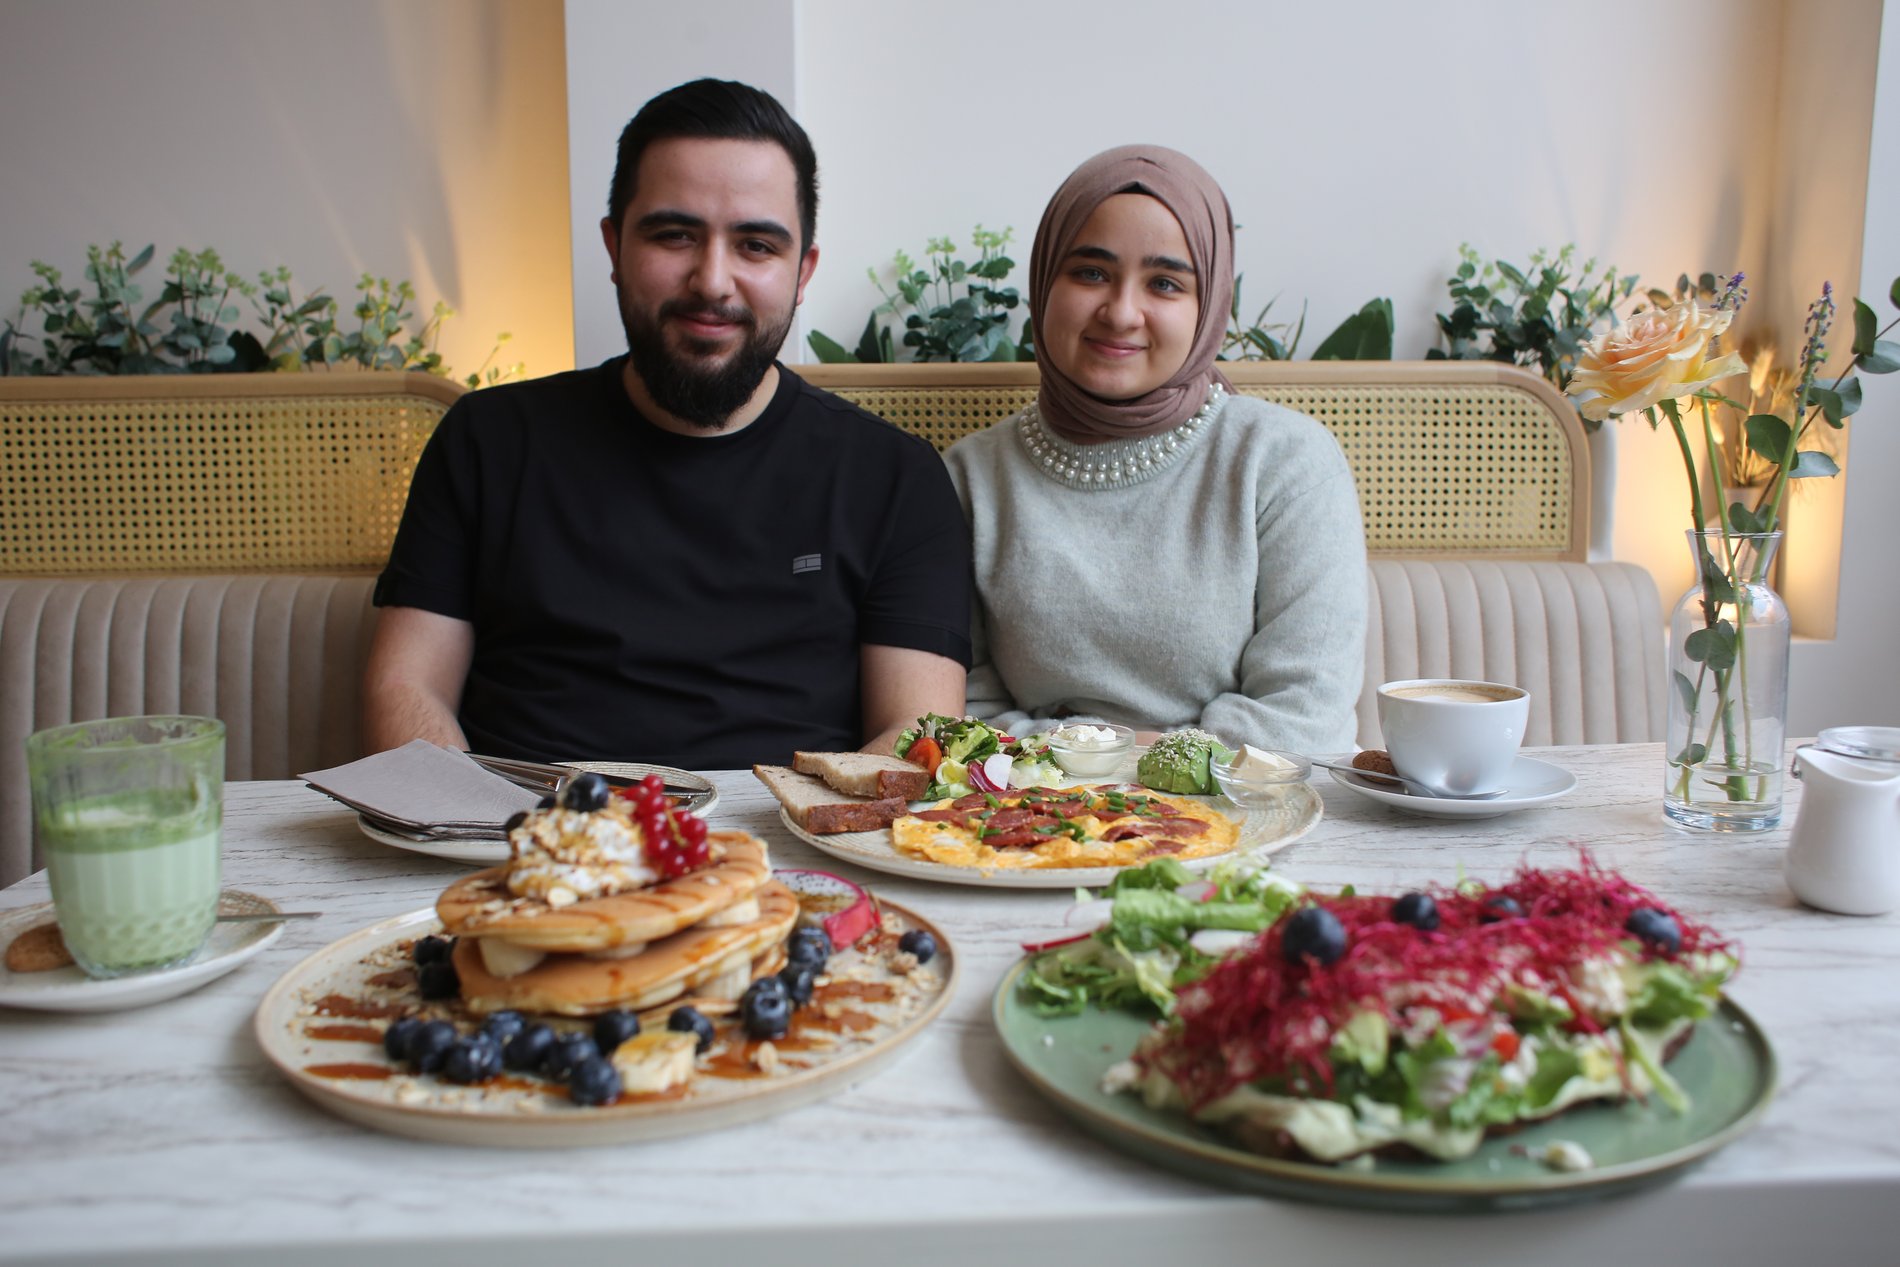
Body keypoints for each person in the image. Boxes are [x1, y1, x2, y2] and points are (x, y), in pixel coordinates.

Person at [363, 79, 970, 769]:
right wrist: (485, 836)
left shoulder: (894, 477)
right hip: (515, 846)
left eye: (756, 246)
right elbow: (405, 686)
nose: (712, 280)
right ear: (615, 246)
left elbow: (914, 734)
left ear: (803, 272)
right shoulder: (487, 441)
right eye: (676, 235)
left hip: (784, 857)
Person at [943, 145, 1366, 753]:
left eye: (1165, 283)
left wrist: (1095, 754)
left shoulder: (1283, 463)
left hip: (1252, 821)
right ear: (1044, 281)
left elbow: (1304, 719)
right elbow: (960, 715)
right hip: (1027, 826)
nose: (1120, 312)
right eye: (1090, 272)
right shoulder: (970, 477)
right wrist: (1133, 759)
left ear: (1210, 305)